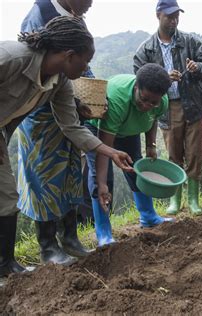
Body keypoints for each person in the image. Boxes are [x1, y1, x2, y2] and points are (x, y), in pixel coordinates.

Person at [0, 16, 132, 278]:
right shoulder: (10, 59)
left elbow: (71, 127)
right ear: (70, 55)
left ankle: (5, 266)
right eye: (86, 61)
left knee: (6, 198)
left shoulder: (59, 82)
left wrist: (110, 151)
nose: (86, 68)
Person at [16, 0, 95, 267]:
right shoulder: (39, 14)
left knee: (71, 172)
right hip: (39, 115)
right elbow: (38, 69)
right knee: (43, 177)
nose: (91, 3)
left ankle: (70, 237)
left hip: (67, 109)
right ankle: (48, 246)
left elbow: (81, 63)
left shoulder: (74, 18)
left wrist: (83, 99)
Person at [133, 0, 202, 216]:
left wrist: (197, 68)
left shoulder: (190, 41)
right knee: (174, 153)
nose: (174, 20)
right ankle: (175, 199)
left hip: (194, 105)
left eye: (177, 16)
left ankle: (193, 199)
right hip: (167, 107)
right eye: (169, 16)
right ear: (158, 15)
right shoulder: (146, 49)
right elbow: (139, 79)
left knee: (195, 152)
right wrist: (163, 78)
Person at [85, 63, 174, 246]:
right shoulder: (118, 99)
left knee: (135, 168)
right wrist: (101, 183)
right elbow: (105, 148)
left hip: (128, 129)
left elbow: (152, 118)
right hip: (99, 128)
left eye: (153, 102)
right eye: (144, 99)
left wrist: (151, 144)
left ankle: (148, 216)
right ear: (136, 87)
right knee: (102, 177)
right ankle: (103, 232)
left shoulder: (161, 102)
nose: (147, 105)